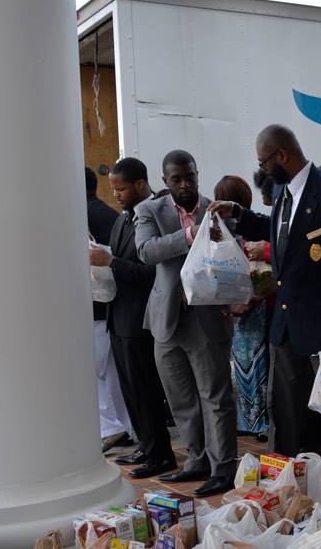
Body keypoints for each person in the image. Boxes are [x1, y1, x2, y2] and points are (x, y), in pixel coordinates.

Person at [212, 125, 321, 461]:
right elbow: (282, 234)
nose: (261, 170)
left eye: (263, 163)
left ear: (282, 156)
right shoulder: (282, 190)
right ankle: (285, 482)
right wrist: (240, 215)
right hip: (288, 324)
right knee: (286, 414)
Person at [134, 149, 240, 497]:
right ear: (164, 181)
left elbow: (232, 253)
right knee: (180, 399)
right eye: (176, 179)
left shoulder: (216, 208)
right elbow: (147, 251)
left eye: (190, 176)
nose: (185, 184)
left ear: (197, 174)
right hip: (166, 321)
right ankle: (197, 460)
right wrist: (191, 235)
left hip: (206, 318)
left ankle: (223, 467)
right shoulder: (150, 210)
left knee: (215, 397)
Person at [92, 157, 177, 478]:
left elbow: (151, 271)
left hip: (141, 317)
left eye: (122, 188)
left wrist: (110, 260)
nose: (115, 194)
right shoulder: (123, 219)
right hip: (119, 314)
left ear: (141, 184)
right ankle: (146, 443)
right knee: (130, 390)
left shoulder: (156, 213)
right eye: (113, 188)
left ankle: (161, 453)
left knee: (146, 389)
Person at [214, 175, 271, 439]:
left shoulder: (224, 229)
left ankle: (253, 420)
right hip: (258, 304)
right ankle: (260, 420)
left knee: (245, 366)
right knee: (259, 364)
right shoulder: (252, 224)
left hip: (240, 308)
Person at [87, 166, 133, 451]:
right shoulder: (109, 214)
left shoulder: (80, 215)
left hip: (94, 305)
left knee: (89, 371)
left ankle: (111, 427)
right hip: (114, 306)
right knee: (113, 374)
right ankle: (126, 427)